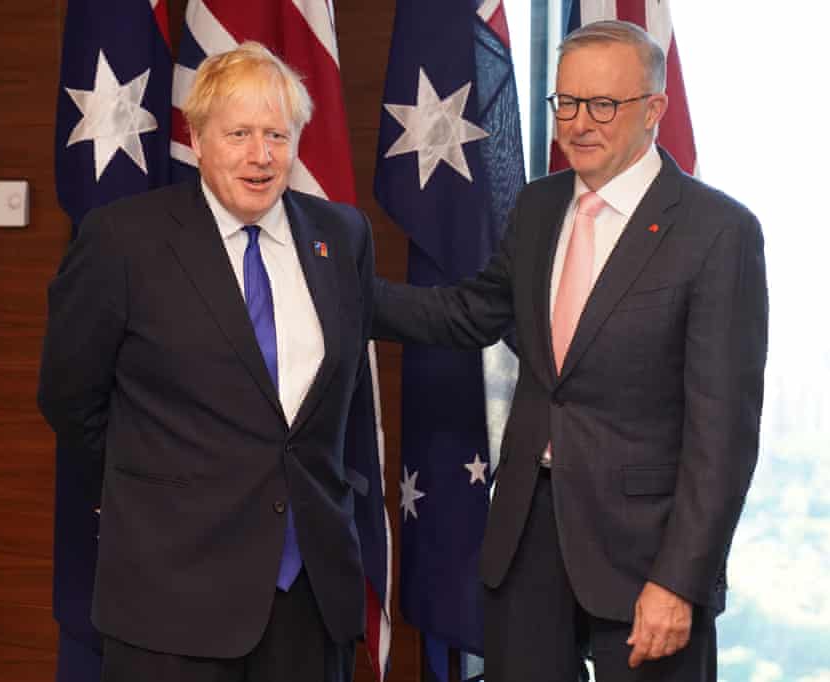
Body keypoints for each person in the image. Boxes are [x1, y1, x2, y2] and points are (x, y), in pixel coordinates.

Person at [373, 20, 767, 682]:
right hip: (527, 538)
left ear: (653, 111)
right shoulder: (538, 206)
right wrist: (335, 289)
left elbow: (721, 437)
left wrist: (681, 580)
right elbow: (470, 311)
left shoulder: (718, 232)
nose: (578, 123)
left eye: (602, 105)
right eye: (567, 103)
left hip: (645, 555)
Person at [38, 41, 374, 682]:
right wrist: (166, 487)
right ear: (196, 136)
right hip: (172, 597)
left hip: (308, 596)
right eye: (240, 133)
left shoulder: (340, 235)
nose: (261, 155)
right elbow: (69, 398)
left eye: (277, 134)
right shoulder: (122, 241)